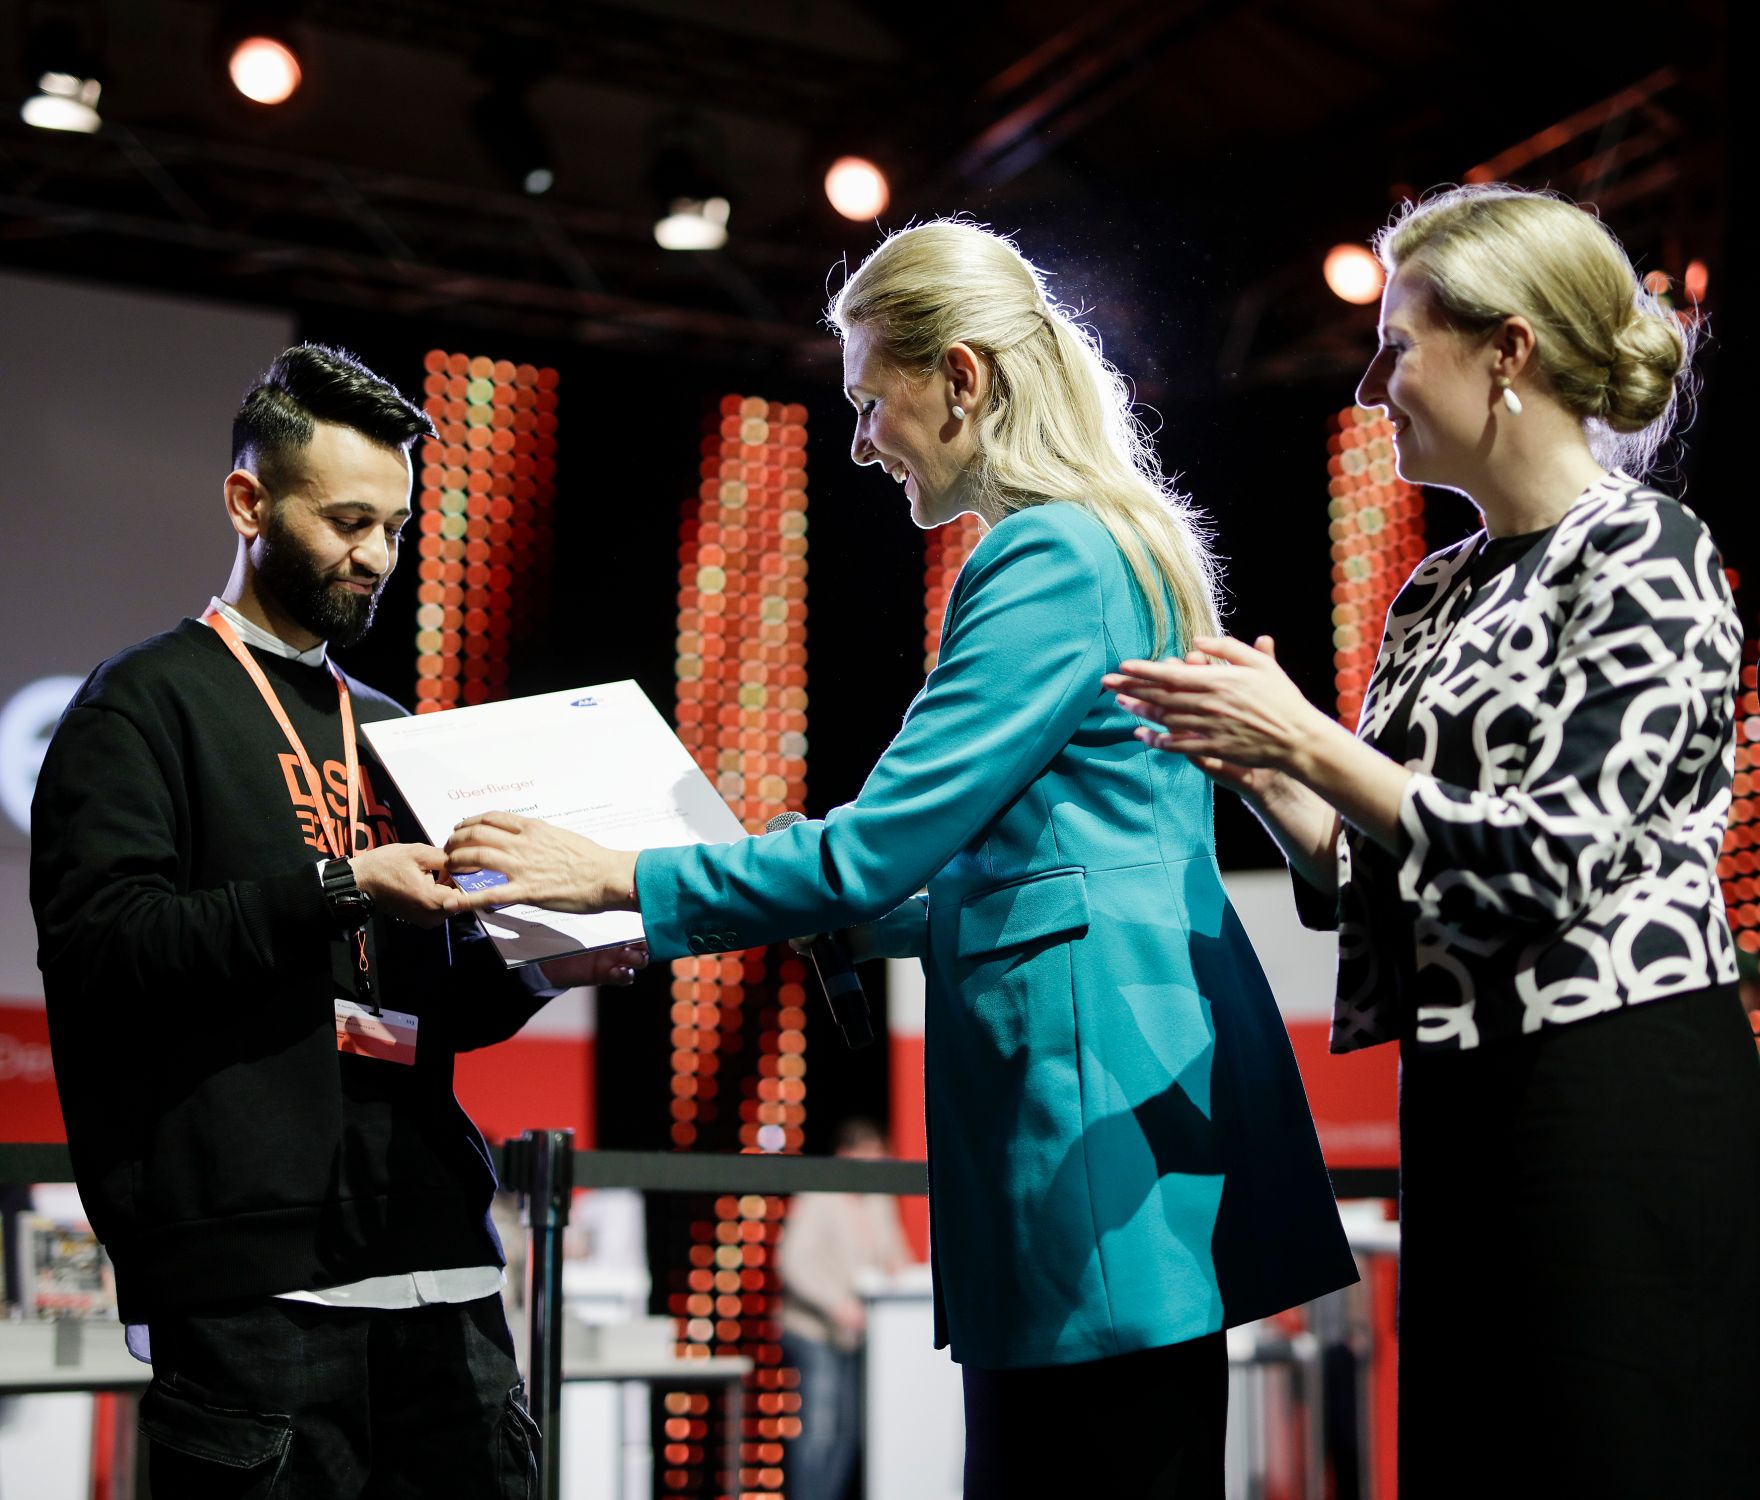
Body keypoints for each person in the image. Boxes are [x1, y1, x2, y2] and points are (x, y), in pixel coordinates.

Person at [442, 221, 1358, 1497]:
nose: (860, 438)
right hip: (1131, 1132)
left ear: (963, 379)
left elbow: (872, 852)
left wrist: (614, 877)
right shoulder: (1121, 539)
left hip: (1084, 1137)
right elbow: (1048, 873)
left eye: (873, 400)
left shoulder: (1041, 554)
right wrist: (824, 919)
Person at [1107, 185, 1760, 1497]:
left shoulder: (1651, 550)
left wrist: (1311, 744)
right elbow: (1387, 870)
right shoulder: (1434, 588)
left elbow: (1552, 856)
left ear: (1506, 351)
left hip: (1614, 1092)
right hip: (1466, 1096)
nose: (1373, 385)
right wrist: (1258, 769)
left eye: (1400, 343)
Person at [29, 344, 646, 1499]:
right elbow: (106, 948)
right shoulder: (144, 703)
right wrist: (342, 885)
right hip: (254, 1279)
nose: (376, 558)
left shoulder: (394, 729)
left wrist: (547, 966)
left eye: (396, 529)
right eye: (348, 521)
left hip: (438, 1263)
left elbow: (428, 1001)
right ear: (247, 500)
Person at [776, 1118, 912, 1500]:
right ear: (846, 1156)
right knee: (820, 1429)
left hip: (859, 1334)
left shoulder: (878, 1200)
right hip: (815, 1330)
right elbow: (792, 1261)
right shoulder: (821, 1195)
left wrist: (910, 1279)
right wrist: (836, 1304)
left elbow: (896, 1255)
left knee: (850, 1430)